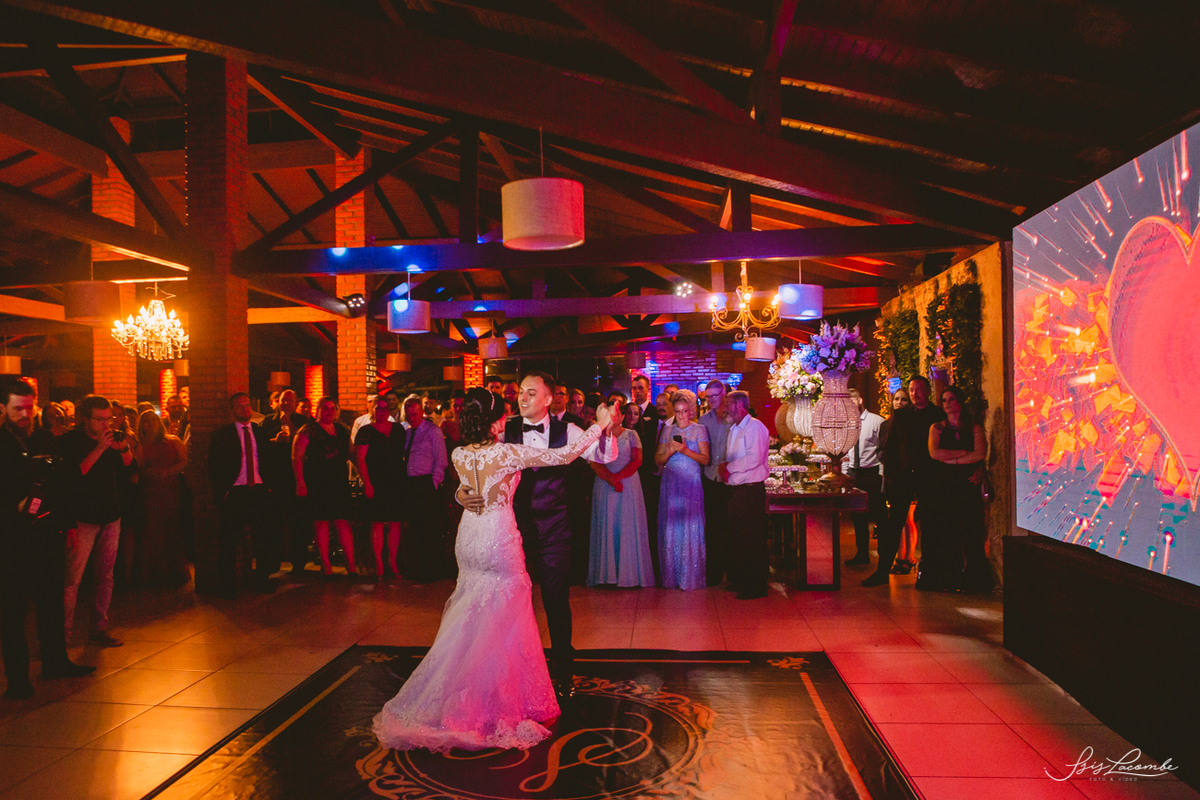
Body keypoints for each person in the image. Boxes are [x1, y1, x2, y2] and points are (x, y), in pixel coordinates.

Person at [375, 389, 613, 752]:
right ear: (493, 420)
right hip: (497, 538)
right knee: (506, 618)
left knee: (469, 618)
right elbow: (564, 456)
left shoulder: (459, 453)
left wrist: (460, 496)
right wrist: (599, 426)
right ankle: (495, 704)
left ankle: (460, 696)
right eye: (503, 414)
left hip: (468, 539)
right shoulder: (506, 453)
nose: (507, 419)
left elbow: (465, 488)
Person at [459, 372, 615, 695]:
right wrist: (460, 494)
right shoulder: (503, 429)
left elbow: (603, 456)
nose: (523, 398)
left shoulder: (568, 430)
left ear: (548, 399)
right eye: (521, 392)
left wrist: (606, 430)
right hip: (510, 532)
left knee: (556, 601)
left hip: (554, 529)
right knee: (509, 605)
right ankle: (507, 674)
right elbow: (477, 470)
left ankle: (563, 673)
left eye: (532, 393)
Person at [1, 379, 95, 700]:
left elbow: (62, 484)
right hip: (12, 539)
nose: (25, 414)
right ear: (3, 408)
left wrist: (68, 524)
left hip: (46, 533)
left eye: (29, 408)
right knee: (13, 610)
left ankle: (55, 661)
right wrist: (13, 506)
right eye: (18, 409)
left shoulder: (43, 438)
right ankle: (17, 677)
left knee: (50, 601)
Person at [61, 395, 133, 647]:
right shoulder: (71, 441)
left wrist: (123, 448)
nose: (105, 424)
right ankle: (63, 634)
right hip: (83, 516)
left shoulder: (111, 439)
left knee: (106, 576)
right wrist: (100, 448)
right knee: (72, 579)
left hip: (110, 514)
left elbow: (130, 468)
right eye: (100, 419)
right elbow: (75, 473)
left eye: (108, 419)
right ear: (85, 418)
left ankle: (99, 627)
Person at [862, 377, 945, 588]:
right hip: (903, 477)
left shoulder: (937, 415)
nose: (915, 394)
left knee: (930, 524)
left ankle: (928, 572)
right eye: (912, 390)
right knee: (893, 525)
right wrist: (892, 477)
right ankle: (882, 571)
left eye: (919, 389)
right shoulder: (901, 416)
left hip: (929, 477)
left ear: (927, 391)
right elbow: (890, 448)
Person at [208, 393, 277, 597]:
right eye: (240, 406)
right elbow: (214, 465)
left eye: (247, 405)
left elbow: (268, 460)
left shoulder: (260, 432)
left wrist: (269, 486)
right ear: (232, 410)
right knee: (228, 541)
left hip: (258, 490)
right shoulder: (222, 435)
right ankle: (227, 585)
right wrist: (224, 490)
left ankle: (262, 580)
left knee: (263, 539)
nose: (245, 409)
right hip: (235, 491)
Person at [925, 386, 990, 592]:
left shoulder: (973, 428)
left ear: (960, 402)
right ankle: (950, 576)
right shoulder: (937, 428)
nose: (947, 404)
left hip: (968, 483)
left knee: (972, 530)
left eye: (951, 399)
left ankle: (975, 578)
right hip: (945, 483)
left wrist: (952, 459)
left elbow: (979, 454)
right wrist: (962, 454)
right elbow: (935, 453)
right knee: (948, 530)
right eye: (944, 400)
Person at [589, 400, 654, 587]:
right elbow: (594, 462)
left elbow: (637, 460)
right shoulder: (597, 435)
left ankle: (630, 574)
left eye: (616, 413)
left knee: (626, 523)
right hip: (604, 483)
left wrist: (618, 477)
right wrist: (610, 478)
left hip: (628, 483)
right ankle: (606, 576)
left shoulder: (631, 434)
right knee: (607, 522)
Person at [293, 397, 356, 576]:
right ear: (318, 410)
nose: (329, 412)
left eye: (332, 408)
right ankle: (326, 565)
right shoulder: (308, 430)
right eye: (325, 408)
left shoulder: (342, 430)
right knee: (321, 522)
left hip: (339, 480)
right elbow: (297, 457)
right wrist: (300, 481)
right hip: (318, 481)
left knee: (343, 521)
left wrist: (364, 476)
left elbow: (352, 453)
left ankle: (351, 565)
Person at [654, 390, 709, 590]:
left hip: (691, 482)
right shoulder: (667, 430)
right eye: (677, 412)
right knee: (672, 525)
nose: (681, 415)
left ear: (690, 410)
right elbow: (658, 460)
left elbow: (705, 459)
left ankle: (690, 576)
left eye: (684, 411)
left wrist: (685, 450)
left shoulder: (699, 429)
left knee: (690, 525)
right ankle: (672, 575)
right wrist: (669, 452)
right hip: (671, 483)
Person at [719, 390, 771, 599]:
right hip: (736, 491)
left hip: (750, 491)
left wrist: (729, 467)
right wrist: (725, 467)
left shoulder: (755, 427)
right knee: (738, 538)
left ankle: (757, 585)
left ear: (739, 406)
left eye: (728, 404)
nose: (724, 408)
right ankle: (742, 579)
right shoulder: (734, 429)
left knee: (752, 539)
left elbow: (754, 458)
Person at [134, 410, 189, 587]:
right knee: (152, 529)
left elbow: (184, 461)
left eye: (153, 420)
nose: (150, 424)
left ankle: (175, 571)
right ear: (141, 425)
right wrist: (148, 473)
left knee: (172, 526)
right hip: (151, 489)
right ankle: (155, 573)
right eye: (146, 421)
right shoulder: (140, 445)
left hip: (170, 487)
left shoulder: (173, 441)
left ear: (159, 422)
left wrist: (168, 472)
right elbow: (139, 468)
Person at [355, 396, 407, 579]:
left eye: (385, 408)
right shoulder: (365, 431)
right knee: (377, 522)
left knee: (395, 522)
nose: (382, 412)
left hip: (396, 480)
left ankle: (393, 562)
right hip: (376, 480)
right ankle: (379, 563)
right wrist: (367, 482)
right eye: (378, 408)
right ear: (372, 410)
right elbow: (360, 458)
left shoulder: (398, 429)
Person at [260, 389, 309, 572]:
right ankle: (273, 562)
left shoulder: (303, 421)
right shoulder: (268, 421)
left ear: (295, 403)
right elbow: (259, 446)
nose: (286, 403)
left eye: (290, 400)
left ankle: (299, 562)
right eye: (283, 400)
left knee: (298, 522)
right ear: (278, 402)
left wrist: (289, 424)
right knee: (273, 523)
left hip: (295, 478)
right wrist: (274, 441)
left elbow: (308, 444)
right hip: (274, 478)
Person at [402, 394, 449, 581]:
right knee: (416, 528)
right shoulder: (408, 432)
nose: (412, 418)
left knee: (429, 528)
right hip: (412, 483)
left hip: (426, 482)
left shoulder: (432, 431)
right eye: (408, 415)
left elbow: (441, 459)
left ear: (421, 412)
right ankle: (420, 567)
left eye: (414, 414)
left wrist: (433, 483)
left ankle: (432, 569)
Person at [845, 388, 885, 568]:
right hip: (854, 473)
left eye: (852, 401)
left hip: (872, 473)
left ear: (860, 400)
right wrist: (846, 474)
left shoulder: (876, 421)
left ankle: (884, 555)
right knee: (858, 516)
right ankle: (862, 553)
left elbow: (883, 449)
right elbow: (845, 450)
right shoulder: (847, 423)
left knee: (879, 515)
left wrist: (882, 475)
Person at [699, 380, 732, 586]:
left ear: (724, 393)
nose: (711, 400)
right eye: (707, 397)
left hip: (730, 478)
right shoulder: (703, 420)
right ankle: (714, 572)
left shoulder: (734, 416)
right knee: (712, 527)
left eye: (714, 396)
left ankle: (732, 572)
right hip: (710, 477)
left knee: (730, 526)